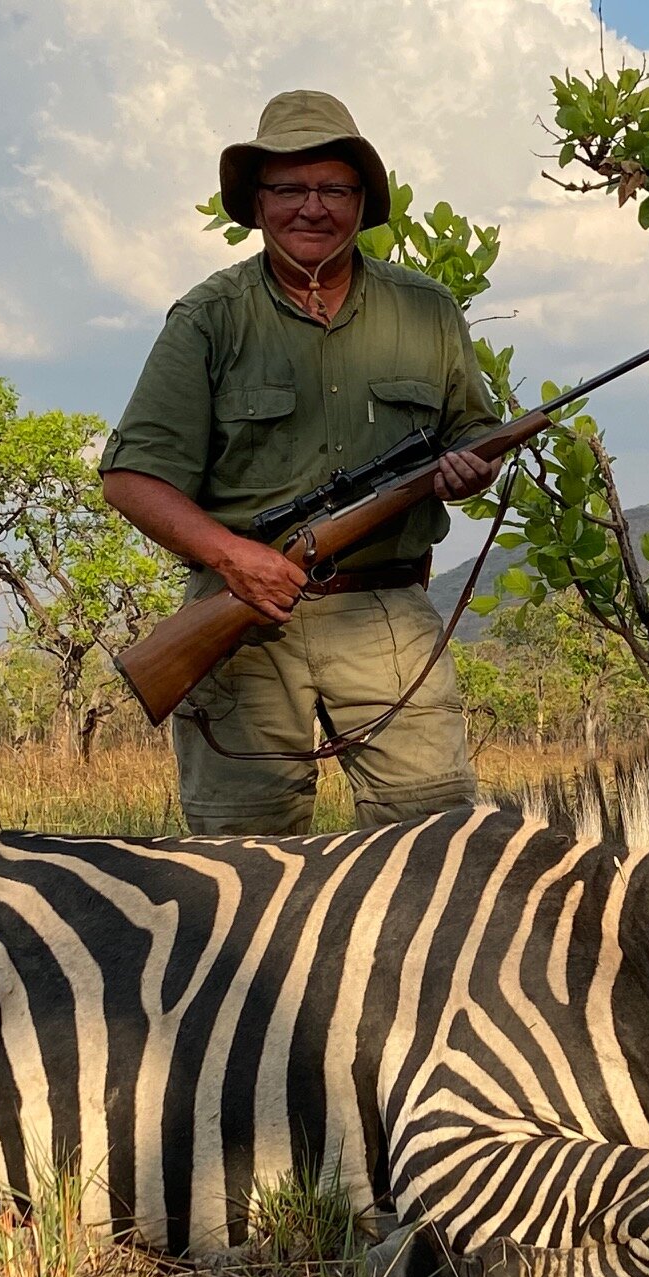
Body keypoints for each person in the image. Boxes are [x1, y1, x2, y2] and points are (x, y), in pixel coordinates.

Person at [100, 90, 498, 835]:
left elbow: (475, 432)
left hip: (388, 616)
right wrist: (235, 559)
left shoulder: (428, 309)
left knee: (436, 845)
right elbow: (130, 477)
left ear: (361, 201)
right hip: (243, 617)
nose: (312, 208)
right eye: (290, 189)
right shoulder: (208, 318)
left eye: (334, 190)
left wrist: (473, 466)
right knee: (240, 858)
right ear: (257, 202)